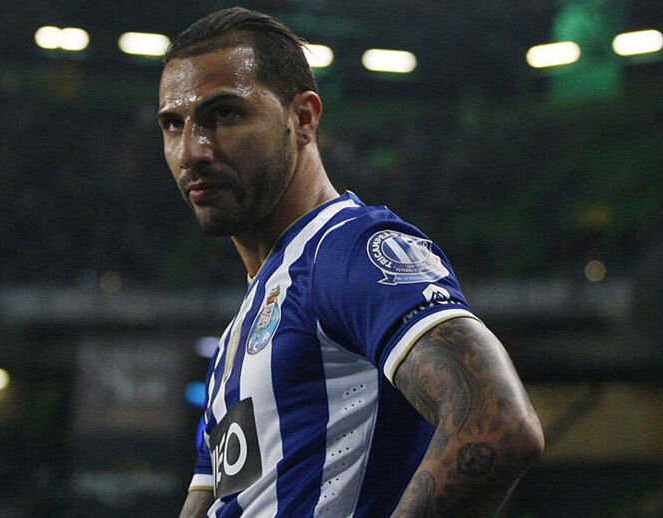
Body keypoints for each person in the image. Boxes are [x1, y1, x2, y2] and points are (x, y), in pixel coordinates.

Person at [157, 7, 544, 518]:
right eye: (173, 124)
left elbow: (497, 422)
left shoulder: (349, 250)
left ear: (303, 118)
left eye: (224, 115)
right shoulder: (235, 339)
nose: (192, 151)